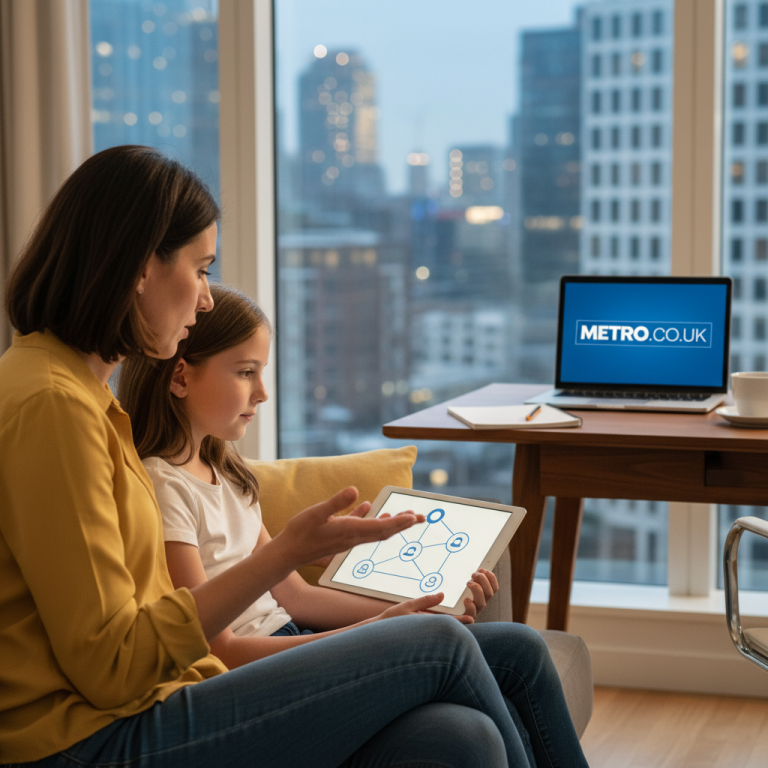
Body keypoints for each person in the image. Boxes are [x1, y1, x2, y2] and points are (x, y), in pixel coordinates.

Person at [0, 145, 588, 768]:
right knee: (439, 642)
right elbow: (112, 667)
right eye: (201, 269)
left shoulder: (82, 397)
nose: (204, 300)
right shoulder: (53, 407)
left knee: (458, 737)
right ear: (142, 265)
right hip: (91, 739)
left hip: (152, 700)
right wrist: (288, 552)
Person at [119, 281, 590, 768]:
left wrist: (408, 613)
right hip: (251, 671)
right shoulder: (162, 486)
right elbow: (218, 649)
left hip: (292, 633)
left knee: (522, 648)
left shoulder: (229, 472)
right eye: (244, 373)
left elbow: (296, 597)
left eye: (262, 372)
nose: (261, 392)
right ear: (180, 378)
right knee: (462, 707)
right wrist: (374, 634)